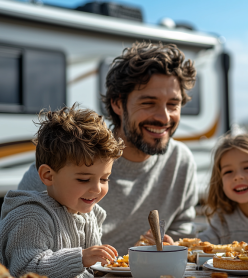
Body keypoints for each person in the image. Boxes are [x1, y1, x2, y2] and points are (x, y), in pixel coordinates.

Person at [18, 42, 199, 254]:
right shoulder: (67, 161)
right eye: (149, 103)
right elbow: (19, 242)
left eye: (173, 104)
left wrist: (171, 245)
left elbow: (183, 230)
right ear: (117, 104)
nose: (164, 117)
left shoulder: (181, 161)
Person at [0, 106, 125, 278]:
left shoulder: (91, 214)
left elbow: (89, 272)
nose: (97, 189)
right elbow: (25, 271)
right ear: (48, 176)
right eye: (84, 179)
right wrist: (81, 258)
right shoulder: (31, 217)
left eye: (104, 179)